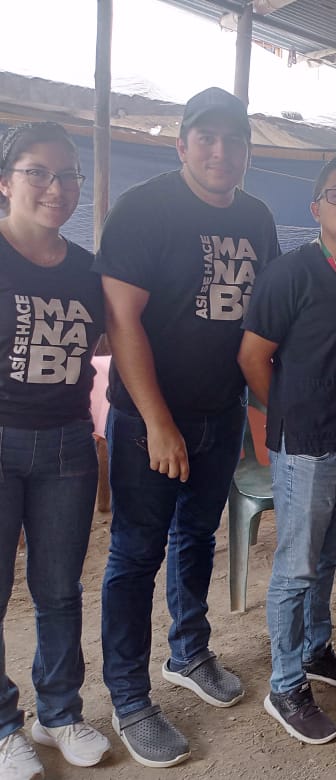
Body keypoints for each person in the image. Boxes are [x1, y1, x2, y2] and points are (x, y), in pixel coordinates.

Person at [95, 87, 280, 768]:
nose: (220, 151)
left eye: (233, 140)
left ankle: (189, 652)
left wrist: (263, 411)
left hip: (220, 414)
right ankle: (129, 697)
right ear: (181, 145)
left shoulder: (257, 217)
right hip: (149, 421)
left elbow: (264, 321)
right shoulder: (144, 209)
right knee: (135, 554)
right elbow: (122, 321)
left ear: (246, 152)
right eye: (206, 138)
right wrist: (157, 422)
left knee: (197, 537)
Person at [239, 155, 336, 744]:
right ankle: (285, 684)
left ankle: (316, 650)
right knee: (295, 569)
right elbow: (252, 357)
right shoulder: (290, 273)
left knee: (328, 559)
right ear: (316, 206)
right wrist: (291, 414)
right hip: (307, 447)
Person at [0, 122, 110, 778]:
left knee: (59, 590)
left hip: (68, 444)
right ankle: (2, 727)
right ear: (5, 182)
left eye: (67, 175)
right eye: (38, 172)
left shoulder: (88, 271)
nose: (55, 187)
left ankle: (59, 712)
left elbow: (114, 343)